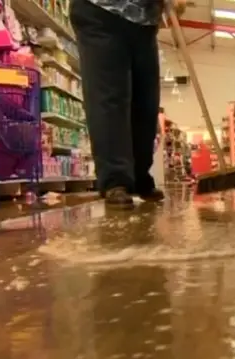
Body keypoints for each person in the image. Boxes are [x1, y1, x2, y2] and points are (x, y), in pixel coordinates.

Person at [69, 0, 185, 208]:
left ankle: (140, 175)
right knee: (109, 96)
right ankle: (115, 180)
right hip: (100, 11)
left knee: (146, 101)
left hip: (144, 20)